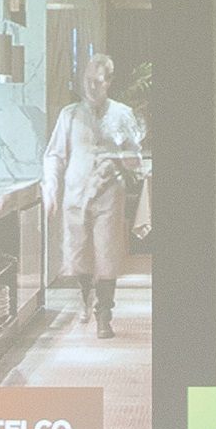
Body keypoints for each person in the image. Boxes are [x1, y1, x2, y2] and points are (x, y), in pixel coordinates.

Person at [41, 51, 149, 337]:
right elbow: (54, 154)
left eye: (97, 82)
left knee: (107, 253)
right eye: (87, 81)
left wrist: (127, 159)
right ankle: (85, 297)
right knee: (78, 253)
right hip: (76, 193)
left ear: (108, 82)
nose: (91, 87)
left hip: (108, 193)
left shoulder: (122, 114)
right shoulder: (70, 115)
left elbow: (135, 154)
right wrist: (50, 188)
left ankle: (105, 314)